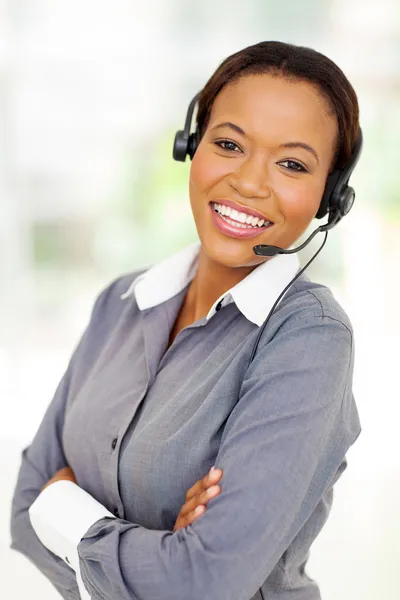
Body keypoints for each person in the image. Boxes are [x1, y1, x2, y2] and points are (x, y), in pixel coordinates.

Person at [10, 40, 362, 600]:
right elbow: (26, 511)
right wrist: (154, 554)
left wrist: (68, 513)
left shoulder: (309, 337)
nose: (249, 183)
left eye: (292, 163)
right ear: (191, 148)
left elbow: (203, 582)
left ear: (330, 198)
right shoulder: (120, 302)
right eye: (228, 144)